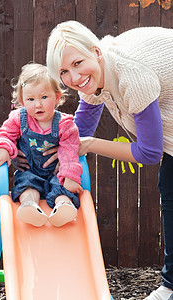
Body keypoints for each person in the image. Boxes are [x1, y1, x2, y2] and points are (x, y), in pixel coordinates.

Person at [45, 21, 173, 299]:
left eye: (78, 63)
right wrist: (54, 155)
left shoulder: (130, 76)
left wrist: (89, 145)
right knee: (170, 191)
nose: (75, 77)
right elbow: (82, 130)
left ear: (96, 51)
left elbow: (149, 152)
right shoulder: (92, 77)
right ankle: (171, 286)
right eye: (64, 72)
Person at [0, 62, 83, 228]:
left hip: (58, 173)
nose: (37, 104)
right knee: (26, 185)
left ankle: (63, 207)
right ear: (22, 101)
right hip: (30, 171)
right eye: (30, 99)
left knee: (62, 188)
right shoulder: (19, 118)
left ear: (57, 96)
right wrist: (4, 149)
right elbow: (5, 133)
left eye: (44, 97)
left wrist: (70, 177)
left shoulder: (65, 124)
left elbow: (70, 151)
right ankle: (30, 207)